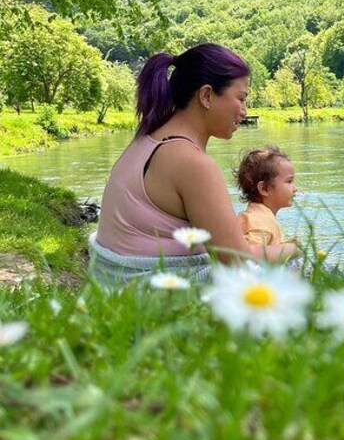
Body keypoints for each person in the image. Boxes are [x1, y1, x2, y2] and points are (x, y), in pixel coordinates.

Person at [90, 43, 294, 284]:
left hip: (111, 280)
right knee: (299, 268)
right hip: (148, 293)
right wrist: (293, 249)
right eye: (240, 98)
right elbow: (237, 260)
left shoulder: (147, 137)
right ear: (206, 96)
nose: (244, 111)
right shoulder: (191, 162)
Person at [235, 146, 300, 255]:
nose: (295, 188)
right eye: (289, 181)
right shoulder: (260, 222)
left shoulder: (255, 215)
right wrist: (290, 249)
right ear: (264, 188)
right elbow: (248, 258)